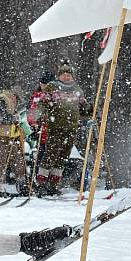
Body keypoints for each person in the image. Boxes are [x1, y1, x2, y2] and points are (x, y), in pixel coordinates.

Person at [35, 61, 91, 197]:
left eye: (69, 75)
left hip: (71, 128)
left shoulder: (77, 90)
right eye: (64, 75)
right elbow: (43, 103)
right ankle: (41, 183)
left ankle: (53, 185)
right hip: (55, 127)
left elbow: (83, 108)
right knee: (50, 155)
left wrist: (91, 109)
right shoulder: (53, 87)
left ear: (73, 77)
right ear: (59, 76)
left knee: (63, 157)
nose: (66, 77)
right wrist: (41, 115)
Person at [0, 85, 28, 198]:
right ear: (14, 96)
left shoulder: (10, 102)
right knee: (0, 161)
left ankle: (23, 186)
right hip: (0, 135)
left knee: (18, 160)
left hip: (10, 136)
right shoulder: (3, 99)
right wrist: (14, 118)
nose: (17, 102)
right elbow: (3, 117)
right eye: (17, 99)